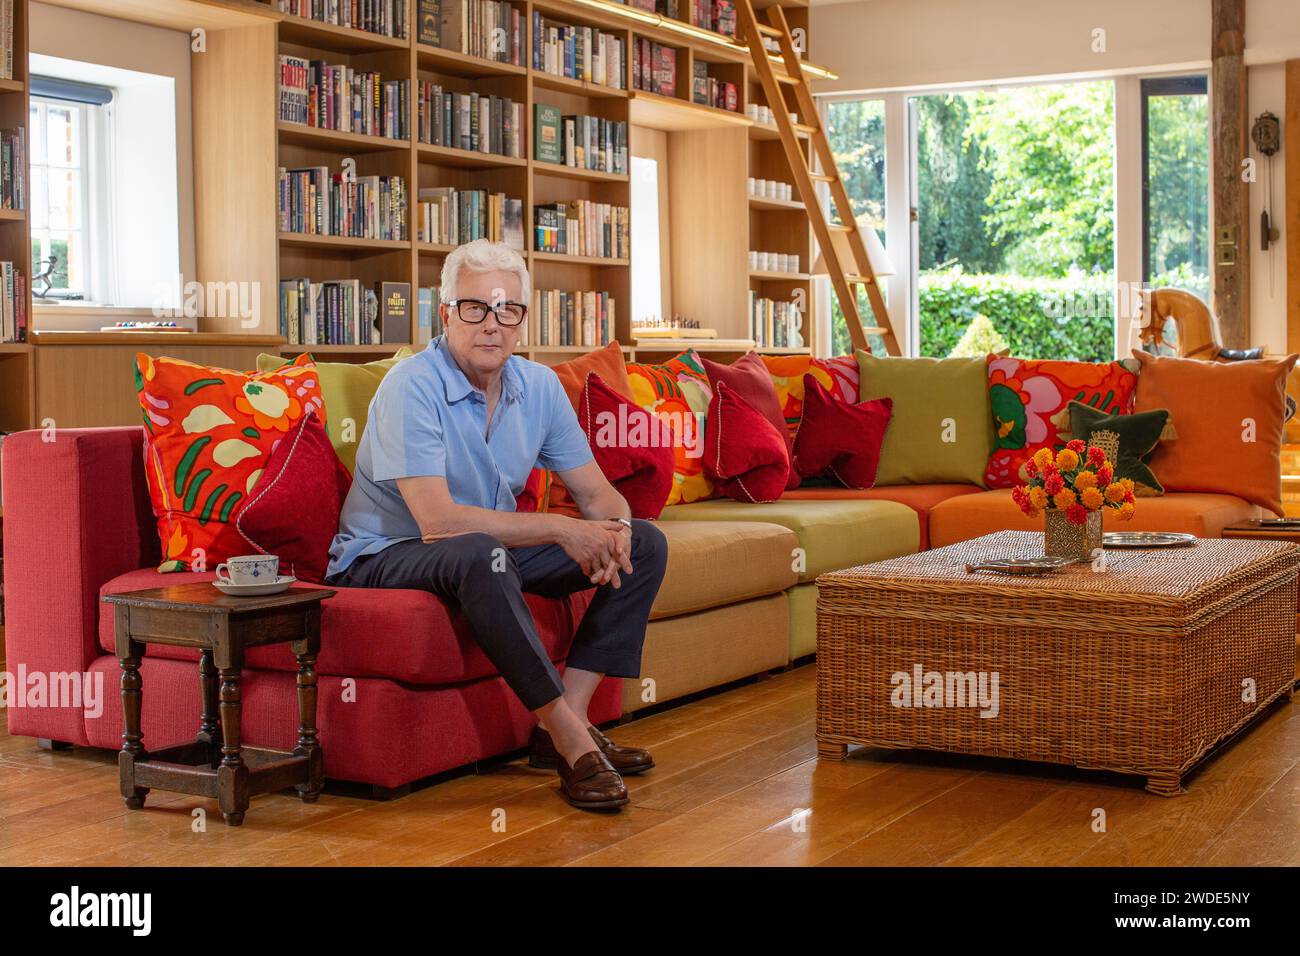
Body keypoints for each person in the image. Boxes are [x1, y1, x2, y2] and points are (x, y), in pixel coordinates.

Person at [326, 239, 668, 811]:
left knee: (647, 542)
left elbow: (594, 492)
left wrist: (617, 529)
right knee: (481, 552)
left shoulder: (537, 388)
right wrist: (561, 530)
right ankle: (570, 739)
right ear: (445, 314)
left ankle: (565, 727)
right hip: (386, 551)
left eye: (508, 310)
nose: (492, 324)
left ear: (522, 320)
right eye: (475, 308)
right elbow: (437, 523)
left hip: (482, 550)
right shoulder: (412, 386)